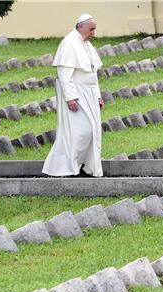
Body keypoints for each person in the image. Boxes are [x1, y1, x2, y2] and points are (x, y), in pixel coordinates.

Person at [42, 14, 104, 177]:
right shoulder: (69, 43)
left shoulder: (87, 45)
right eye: (91, 29)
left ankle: (84, 166)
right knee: (80, 131)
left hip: (89, 93)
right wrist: (70, 97)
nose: (93, 33)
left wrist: (98, 95)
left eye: (94, 29)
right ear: (80, 27)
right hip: (76, 94)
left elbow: (92, 73)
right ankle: (66, 167)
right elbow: (64, 74)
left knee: (93, 131)